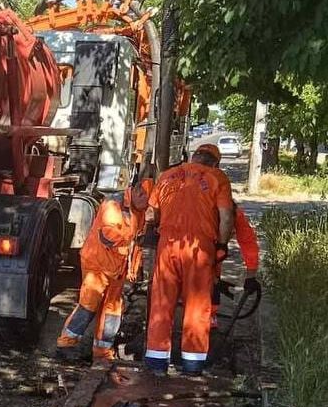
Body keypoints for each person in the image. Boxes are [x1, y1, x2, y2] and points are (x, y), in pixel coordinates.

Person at [145, 143, 234, 374]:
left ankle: (156, 361)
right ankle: (192, 364)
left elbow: (151, 213)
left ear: (194, 157)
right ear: (215, 163)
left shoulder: (167, 175)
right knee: (197, 304)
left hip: (167, 245)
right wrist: (222, 245)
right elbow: (226, 217)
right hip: (199, 249)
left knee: (162, 302)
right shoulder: (217, 178)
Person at [56, 179, 153, 362]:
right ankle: (66, 344)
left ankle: (102, 351)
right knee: (88, 304)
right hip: (98, 264)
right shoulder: (113, 204)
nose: (148, 207)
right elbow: (107, 236)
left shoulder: (138, 211)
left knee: (112, 311)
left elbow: (136, 243)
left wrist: (135, 268)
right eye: (147, 202)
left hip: (116, 268)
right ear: (139, 193)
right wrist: (131, 241)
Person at [211, 201, 260, 327]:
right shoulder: (198, 214)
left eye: (232, 228)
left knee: (216, 259)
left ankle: (210, 313)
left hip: (212, 248)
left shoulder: (236, 214)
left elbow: (248, 243)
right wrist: (213, 280)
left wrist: (251, 275)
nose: (231, 232)